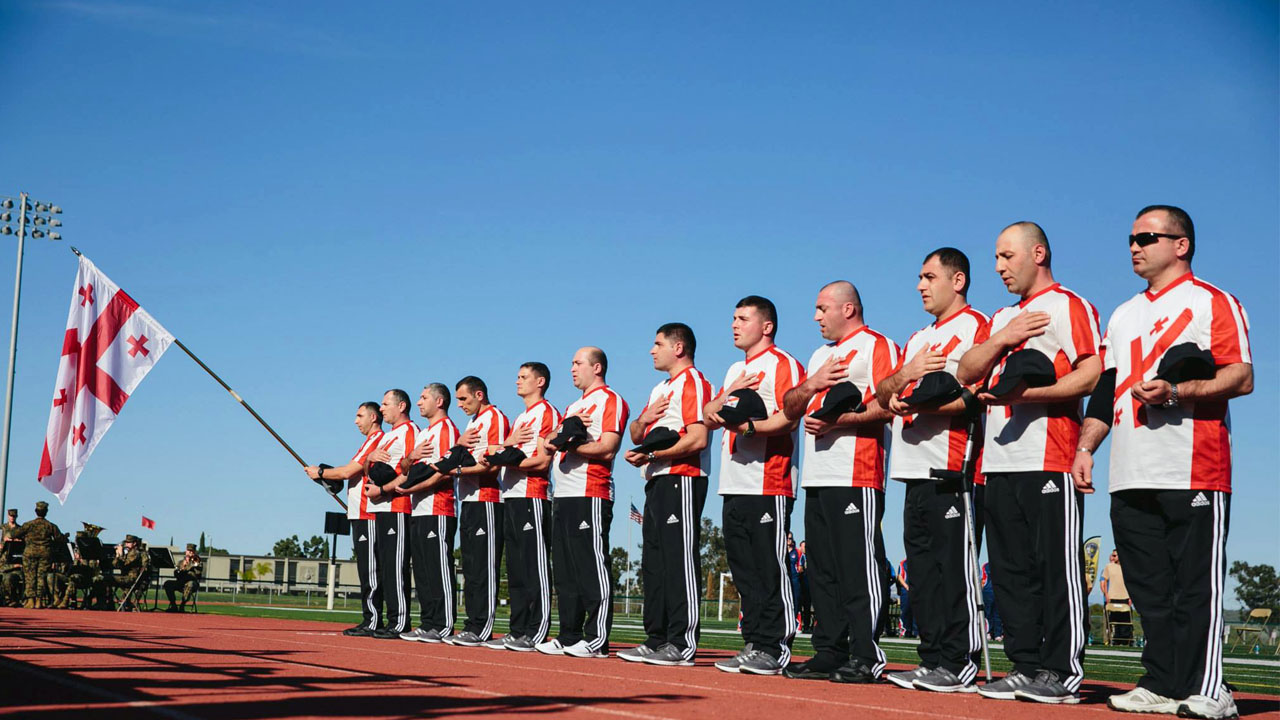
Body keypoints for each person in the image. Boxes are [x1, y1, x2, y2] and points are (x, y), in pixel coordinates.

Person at [1073, 205, 1252, 719]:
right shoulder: (1124, 312)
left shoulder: (1212, 302)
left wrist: (1176, 391)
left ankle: (1211, 689)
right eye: (1131, 238)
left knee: (1193, 583)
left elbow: (1241, 376)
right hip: (1130, 470)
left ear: (1181, 244)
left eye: (1148, 237)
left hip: (1193, 465)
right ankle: (1163, 682)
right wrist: (1087, 448)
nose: (1135, 245)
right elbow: (1106, 390)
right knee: (1150, 585)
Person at [958, 221, 1101, 704]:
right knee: (1009, 570)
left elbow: (1092, 375)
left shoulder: (1070, 305)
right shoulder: (1002, 317)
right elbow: (966, 371)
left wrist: (1030, 395)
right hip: (998, 463)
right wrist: (1005, 337)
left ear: (1038, 253)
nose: (998, 267)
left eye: (1006, 256)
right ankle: (1024, 665)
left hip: (1051, 458)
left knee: (1053, 568)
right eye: (995, 258)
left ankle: (1061, 671)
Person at [877, 248, 990, 692]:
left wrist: (922, 401)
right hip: (912, 470)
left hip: (953, 467)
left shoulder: (977, 326)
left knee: (952, 570)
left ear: (957, 280)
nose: (920, 286)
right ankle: (932, 659)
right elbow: (885, 391)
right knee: (922, 573)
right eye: (919, 278)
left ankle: (958, 660)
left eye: (929, 277)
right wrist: (906, 376)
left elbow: (975, 394)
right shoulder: (918, 337)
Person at [781, 280, 898, 684]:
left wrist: (839, 420)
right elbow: (790, 406)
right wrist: (813, 383)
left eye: (821, 308)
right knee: (823, 569)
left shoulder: (876, 346)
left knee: (858, 566)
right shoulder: (818, 357)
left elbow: (889, 407)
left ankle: (867, 654)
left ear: (848, 309)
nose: (815, 317)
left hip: (857, 474)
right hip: (817, 478)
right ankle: (829, 650)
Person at [704, 296, 805, 675]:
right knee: (744, 569)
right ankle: (754, 642)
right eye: (733, 317)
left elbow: (789, 417)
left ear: (766, 326)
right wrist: (722, 398)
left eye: (743, 318)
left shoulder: (784, 364)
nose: (734, 324)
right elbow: (709, 416)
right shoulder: (734, 370)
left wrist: (748, 427)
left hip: (769, 481)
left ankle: (775, 646)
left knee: (768, 566)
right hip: (734, 483)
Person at [619, 323, 713, 667]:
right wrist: (643, 420)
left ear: (678, 347)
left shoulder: (694, 383)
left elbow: (698, 438)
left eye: (657, 343)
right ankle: (655, 638)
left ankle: (681, 642)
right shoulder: (661, 387)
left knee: (678, 560)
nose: (651, 350)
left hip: (682, 479)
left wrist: (653, 455)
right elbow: (635, 432)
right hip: (656, 481)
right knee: (654, 564)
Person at [537, 347, 629, 658]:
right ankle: (568, 634)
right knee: (564, 570)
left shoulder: (610, 400)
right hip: (562, 494)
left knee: (590, 566)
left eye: (578, 363)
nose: (572, 368)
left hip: (590, 493)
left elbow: (607, 448)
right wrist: (562, 433)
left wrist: (572, 442)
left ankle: (596, 638)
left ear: (597, 367)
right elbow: (548, 441)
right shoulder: (573, 406)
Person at [490, 363, 560, 651]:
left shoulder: (547, 413)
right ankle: (517, 629)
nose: (517, 381)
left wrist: (505, 457)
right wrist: (504, 450)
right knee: (516, 569)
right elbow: (496, 453)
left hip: (533, 495)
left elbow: (542, 461)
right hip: (511, 495)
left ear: (540, 381)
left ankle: (536, 629)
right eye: (517, 376)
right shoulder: (521, 418)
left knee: (534, 566)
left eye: (524, 377)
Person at [303, 401, 385, 637]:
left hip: (367, 513)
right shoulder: (368, 442)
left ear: (373, 417)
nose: (356, 420)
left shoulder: (376, 440)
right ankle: (370, 617)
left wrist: (319, 472)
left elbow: (347, 471)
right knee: (366, 568)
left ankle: (373, 620)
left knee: (370, 569)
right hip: (359, 513)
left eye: (360, 416)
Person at [393, 383, 461, 643]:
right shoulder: (424, 434)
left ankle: (443, 624)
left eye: (423, 398)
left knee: (437, 567)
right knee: (421, 569)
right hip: (419, 509)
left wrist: (411, 489)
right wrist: (410, 458)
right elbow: (406, 466)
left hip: (438, 507)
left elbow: (442, 471)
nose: (419, 402)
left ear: (440, 401)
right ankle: (428, 621)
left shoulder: (446, 430)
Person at [446, 376, 510, 647]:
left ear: (479, 394)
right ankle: (472, 623)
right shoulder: (473, 423)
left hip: (488, 499)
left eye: (463, 398)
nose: (459, 404)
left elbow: (493, 464)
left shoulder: (494, 418)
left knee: (484, 566)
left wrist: (457, 470)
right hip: (469, 500)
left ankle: (482, 626)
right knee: (471, 567)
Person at [361, 389, 419, 639]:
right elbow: (368, 468)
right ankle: (388, 619)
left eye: (386, 404)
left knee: (396, 566)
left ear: (402, 406)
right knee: (385, 566)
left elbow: (408, 469)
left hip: (396, 505)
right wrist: (370, 459)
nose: (382, 409)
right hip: (380, 507)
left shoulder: (409, 432)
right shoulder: (388, 436)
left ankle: (399, 621)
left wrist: (383, 489)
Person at [11, 501, 64, 609]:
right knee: (41, 576)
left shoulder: (29, 524)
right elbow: (60, 539)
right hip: (45, 553)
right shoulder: (50, 526)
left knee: (30, 576)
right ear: (46, 512)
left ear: (36, 511)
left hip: (30, 553)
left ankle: (30, 600)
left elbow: (14, 534)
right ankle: (39, 600)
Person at [111, 534, 150, 609]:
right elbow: (115, 565)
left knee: (107, 579)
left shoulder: (135, 552)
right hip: (126, 577)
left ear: (134, 543)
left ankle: (104, 603)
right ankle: (109, 603)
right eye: (126, 542)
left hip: (132, 578)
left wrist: (121, 554)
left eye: (128, 543)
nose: (126, 544)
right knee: (105, 579)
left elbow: (125, 564)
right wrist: (117, 555)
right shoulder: (128, 552)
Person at [164, 544, 203, 612]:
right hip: (181, 582)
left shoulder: (197, 561)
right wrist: (182, 568)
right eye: (189, 551)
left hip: (192, 583)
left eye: (192, 551)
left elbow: (198, 574)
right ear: (186, 552)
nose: (191, 553)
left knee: (190, 584)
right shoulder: (181, 562)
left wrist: (190, 565)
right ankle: (173, 605)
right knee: (168, 584)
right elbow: (176, 574)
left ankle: (182, 605)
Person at [797, 540, 812, 633]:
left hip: (808, 586)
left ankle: (806, 626)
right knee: (798, 606)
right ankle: (799, 624)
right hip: (800, 584)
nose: (805, 548)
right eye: (803, 546)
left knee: (807, 607)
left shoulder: (809, 557)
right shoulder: (800, 556)